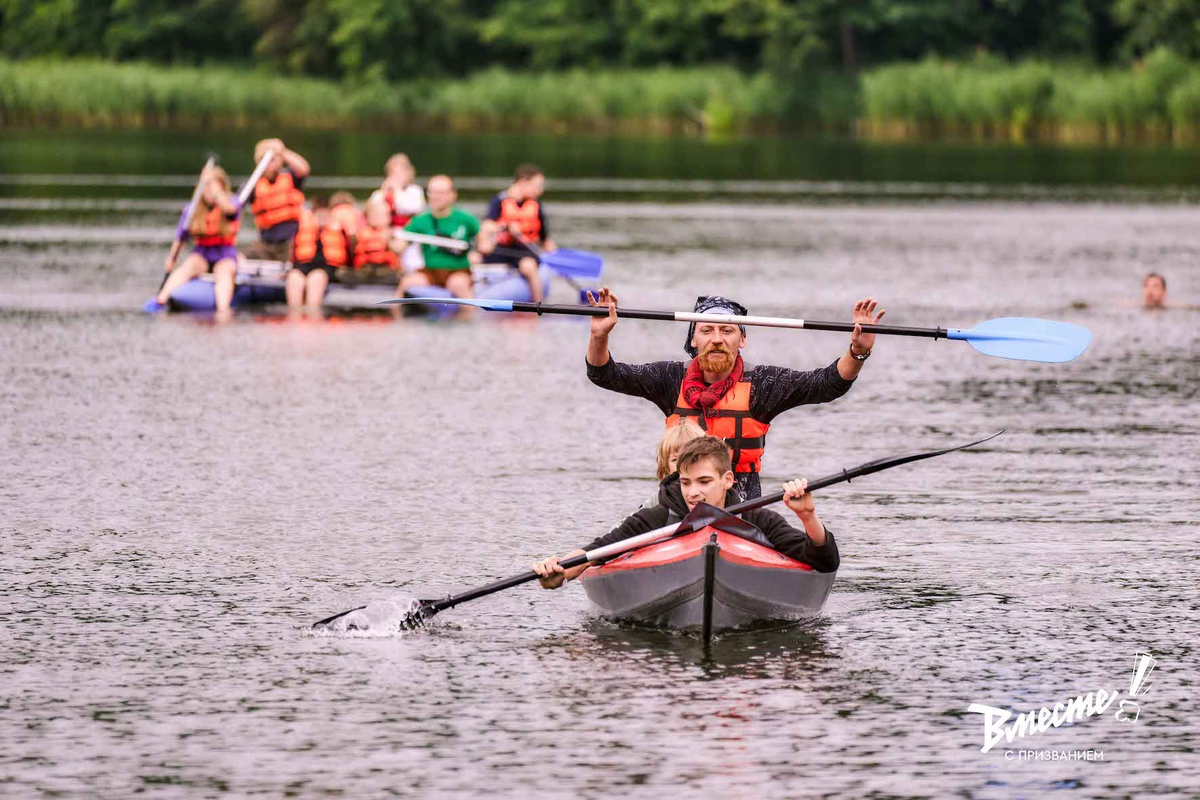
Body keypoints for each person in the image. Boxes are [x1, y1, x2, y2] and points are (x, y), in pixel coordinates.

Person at [585, 288, 884, 499]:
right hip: (678, 497)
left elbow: (827, 384)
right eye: (707, 331)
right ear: (693, 341)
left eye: (727, 331)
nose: (717, 339)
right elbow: (605, 374)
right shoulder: (670, 379)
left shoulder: (764, 384)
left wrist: (858, 351)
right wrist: (599, 336)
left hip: (741, 500)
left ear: (742, 339)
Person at [531, 436, 839, 589]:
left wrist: (807, 515)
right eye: (687, 482)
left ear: (727, 480)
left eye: (705, 482)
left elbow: (824, 561)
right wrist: (560, 572)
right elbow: (598, 550)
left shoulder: (757, 518)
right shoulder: (657, 517)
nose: (693, 493)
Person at [153, 165, 241, 314]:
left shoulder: (231, 203)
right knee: (188, 267)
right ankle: (162, 298)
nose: (210, 194)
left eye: (214, 189)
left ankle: (223, 309)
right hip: (203, 252)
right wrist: (171, 259)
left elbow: (230, 210)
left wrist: (217, 191)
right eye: (206, 189)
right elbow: (181, 237)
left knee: (224, 272)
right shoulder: (192, 209)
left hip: (225, 252)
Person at [396, 175, 480, 308]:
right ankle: (396, 319)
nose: (435, 197)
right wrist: (395, 245)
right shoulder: (420, 221)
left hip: (457, 271)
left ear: (452, 195)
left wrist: (478, 252)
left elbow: (482, 238)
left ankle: (469, 318)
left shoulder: (465, 219)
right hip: (430, 271)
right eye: (432, 192)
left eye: (440, 193)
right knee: (406, 283)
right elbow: (401, 243)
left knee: (458, 285)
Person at [478, 162, 554, 303]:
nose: (540, 191)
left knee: (529, 267)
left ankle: (539, 305)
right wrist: (505, 226)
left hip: (523, 251)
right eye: (537, 186)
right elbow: (486, 226)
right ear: (522, 182)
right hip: (501, 250)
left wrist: (555, 257)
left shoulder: (536, 206)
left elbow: (545, 239)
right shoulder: (499, 201)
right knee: (473, 258)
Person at [244, 138, 310, 262]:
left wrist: (282, 151)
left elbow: (303, 169)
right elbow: (236, 204)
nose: (270, 163)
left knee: (298, 256)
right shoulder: (253, 185)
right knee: (241, 257)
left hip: (291, 243)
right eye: (266, 160)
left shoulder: (291, 177)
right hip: (266, 244)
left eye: (273, 159)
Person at [286, 195, 351, 311]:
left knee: (316, 278)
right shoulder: (302, 226)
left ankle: (312, 314)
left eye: (325, 216)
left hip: (327, 268)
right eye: (319, 215)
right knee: (294, 277)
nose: (322, 219)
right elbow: (293, 253)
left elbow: (349, 254)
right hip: (304, 266)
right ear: (313, 214)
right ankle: (294, 316)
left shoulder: (339, 229)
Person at [643, 421, 707, 508]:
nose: (683, 464)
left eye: (691, 457)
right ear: (666, 467)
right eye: (675, 459)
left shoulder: (718, 494)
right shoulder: (657, 501)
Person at [382, 153, 426, 273]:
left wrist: (397, 190)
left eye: (399, 173)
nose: (396, 177)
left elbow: (410, 208)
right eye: (392, 174)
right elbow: (373, 211)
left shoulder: (415, 191)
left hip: (409, 236)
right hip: (388, 234)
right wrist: (383, 193)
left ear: (409, 173)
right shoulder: (383, 193)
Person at [342, 192, 400, 284]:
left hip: (385, 270)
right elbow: (351, 251)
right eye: (374, 214)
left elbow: (399, 249)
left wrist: (389, 240)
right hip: (364, 270)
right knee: (345, 274)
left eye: (381, 214)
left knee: (396, 277)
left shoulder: (393, 234)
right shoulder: (358, 234)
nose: (376, 217)